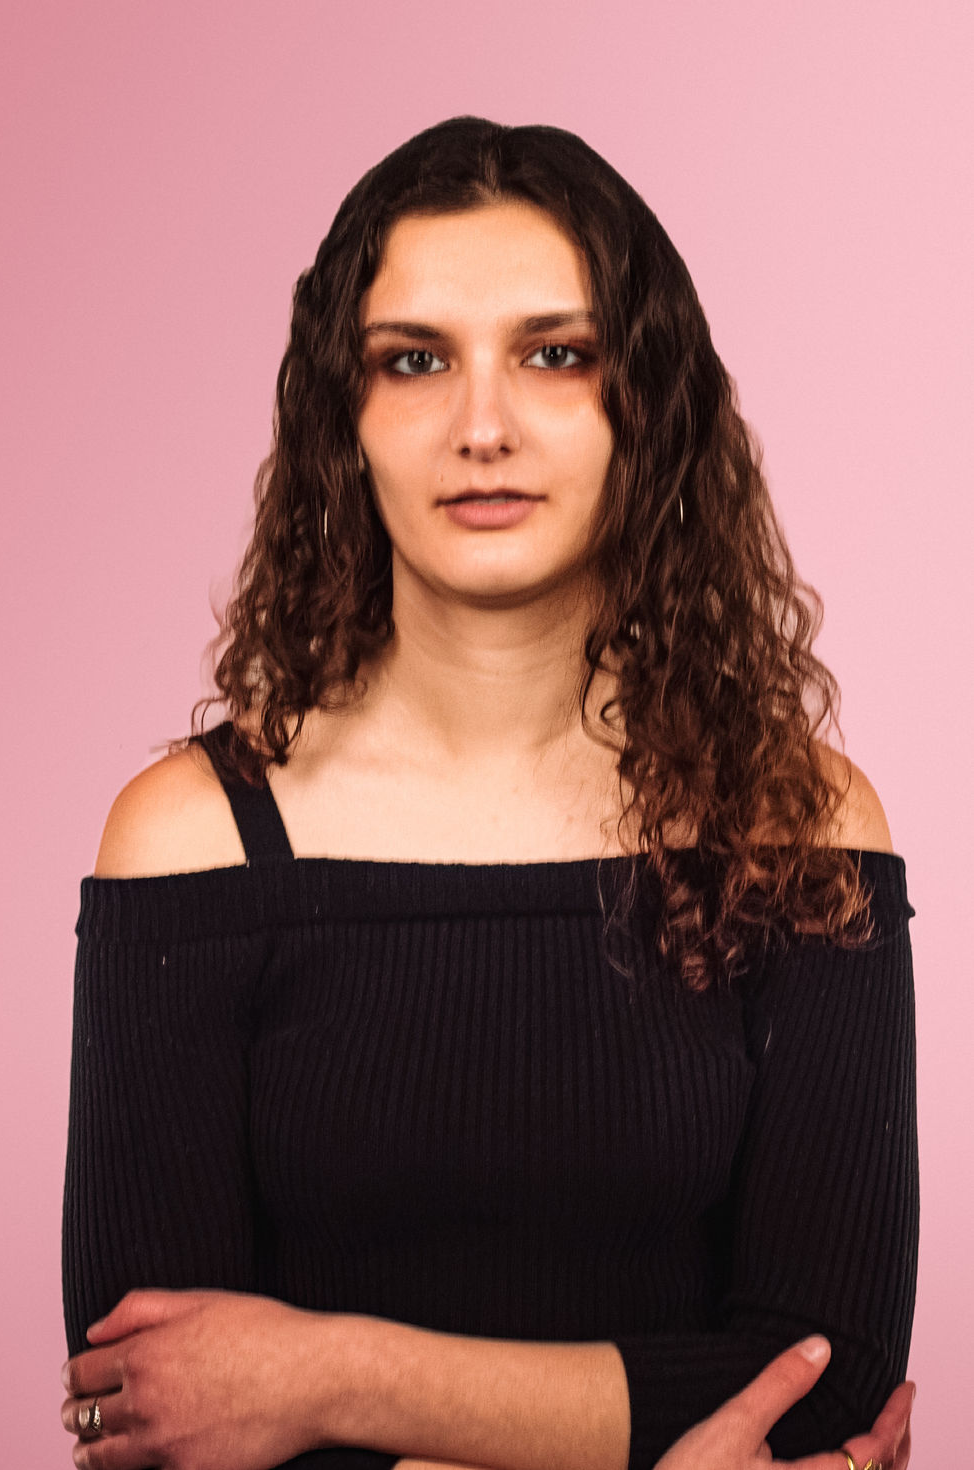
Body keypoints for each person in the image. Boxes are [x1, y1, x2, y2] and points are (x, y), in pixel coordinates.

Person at [61, 116, 918, 1470]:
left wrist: (327, 1374)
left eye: (556, 354)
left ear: (649, 403)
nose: (482, 428)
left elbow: (825, 1380)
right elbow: (154, 1406)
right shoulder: (189, 838)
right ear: (342, 419)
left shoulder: (799, 827)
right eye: (414, 360)